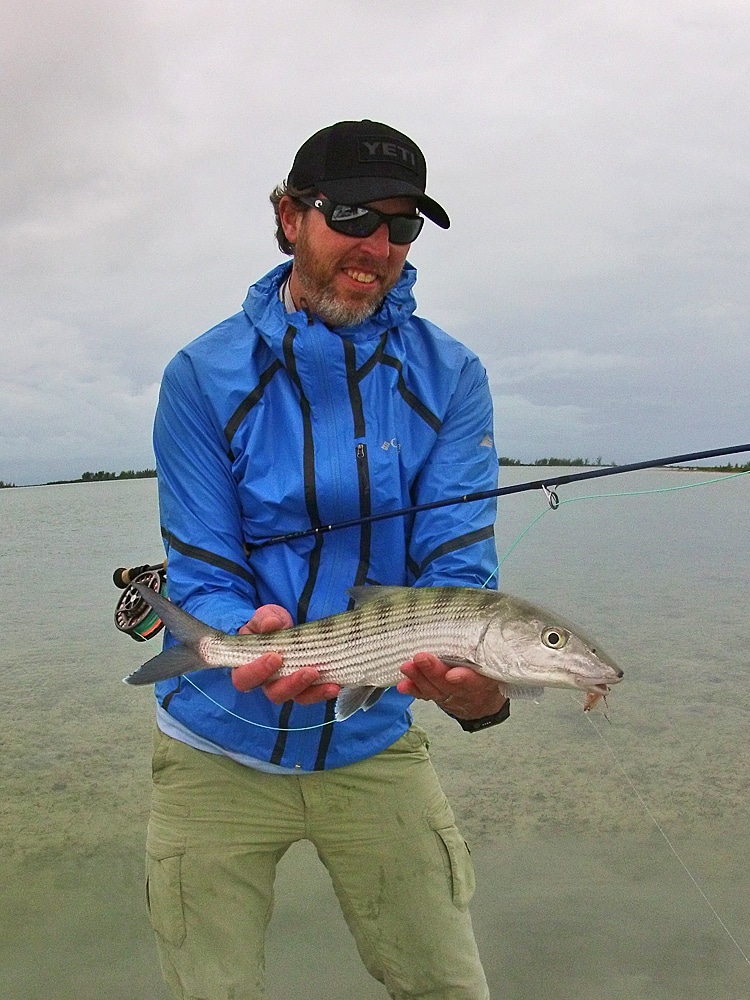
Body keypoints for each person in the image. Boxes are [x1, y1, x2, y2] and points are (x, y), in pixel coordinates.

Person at [147, 119, 509, 1000]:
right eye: (352, 214)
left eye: (402, 224)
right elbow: (201, 564)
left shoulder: (452, 376)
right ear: (289, 216)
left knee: (449, 989)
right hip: (209, 741)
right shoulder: (201, 375)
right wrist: (244, 635)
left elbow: (459, 574)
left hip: (373, 736)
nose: (376, 247)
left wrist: (481, 698)